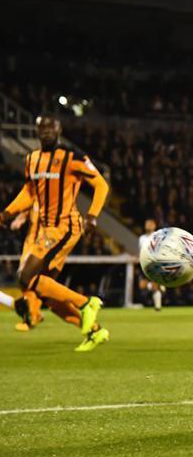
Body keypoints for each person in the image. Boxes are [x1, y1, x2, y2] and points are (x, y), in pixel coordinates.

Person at [0, 115, 111, 352]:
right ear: (37, 130)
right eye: (43, 127)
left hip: (65, 227)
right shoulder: (32, 159)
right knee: (46, 293)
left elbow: (101, 184)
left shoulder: (72, 157)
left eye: (52, 127)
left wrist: (92, 215)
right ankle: (94, 330)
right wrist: (6, 214)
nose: (47, 131)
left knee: (25, 277)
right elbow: (29, 193)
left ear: (59, 130)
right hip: (45, 230)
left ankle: (86, 303)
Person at [138, 218, 165, 311]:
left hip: (155, 263)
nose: (147, 226)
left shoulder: (158, 236)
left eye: (149, 224)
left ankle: (158, 306)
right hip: (144, 264)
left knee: (154, 285)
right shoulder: (141, 238)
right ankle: (160, 287)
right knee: (142, 285)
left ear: (154, 226)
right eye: (146, 224)